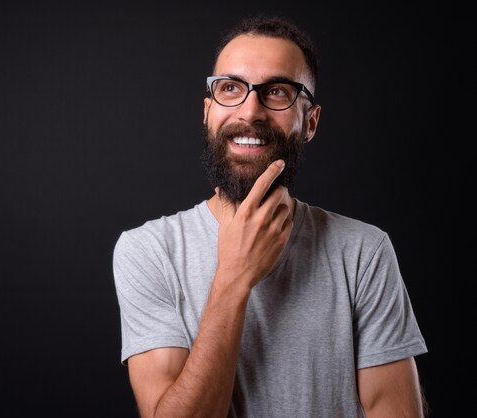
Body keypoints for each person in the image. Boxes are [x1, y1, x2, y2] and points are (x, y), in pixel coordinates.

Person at [112, 14, 428, 418]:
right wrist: (235, 275)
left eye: (277, 92)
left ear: (310, 122)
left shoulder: (363, 250)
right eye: (231, 88)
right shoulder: (147, 251)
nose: (251, 111)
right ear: (208, 113)